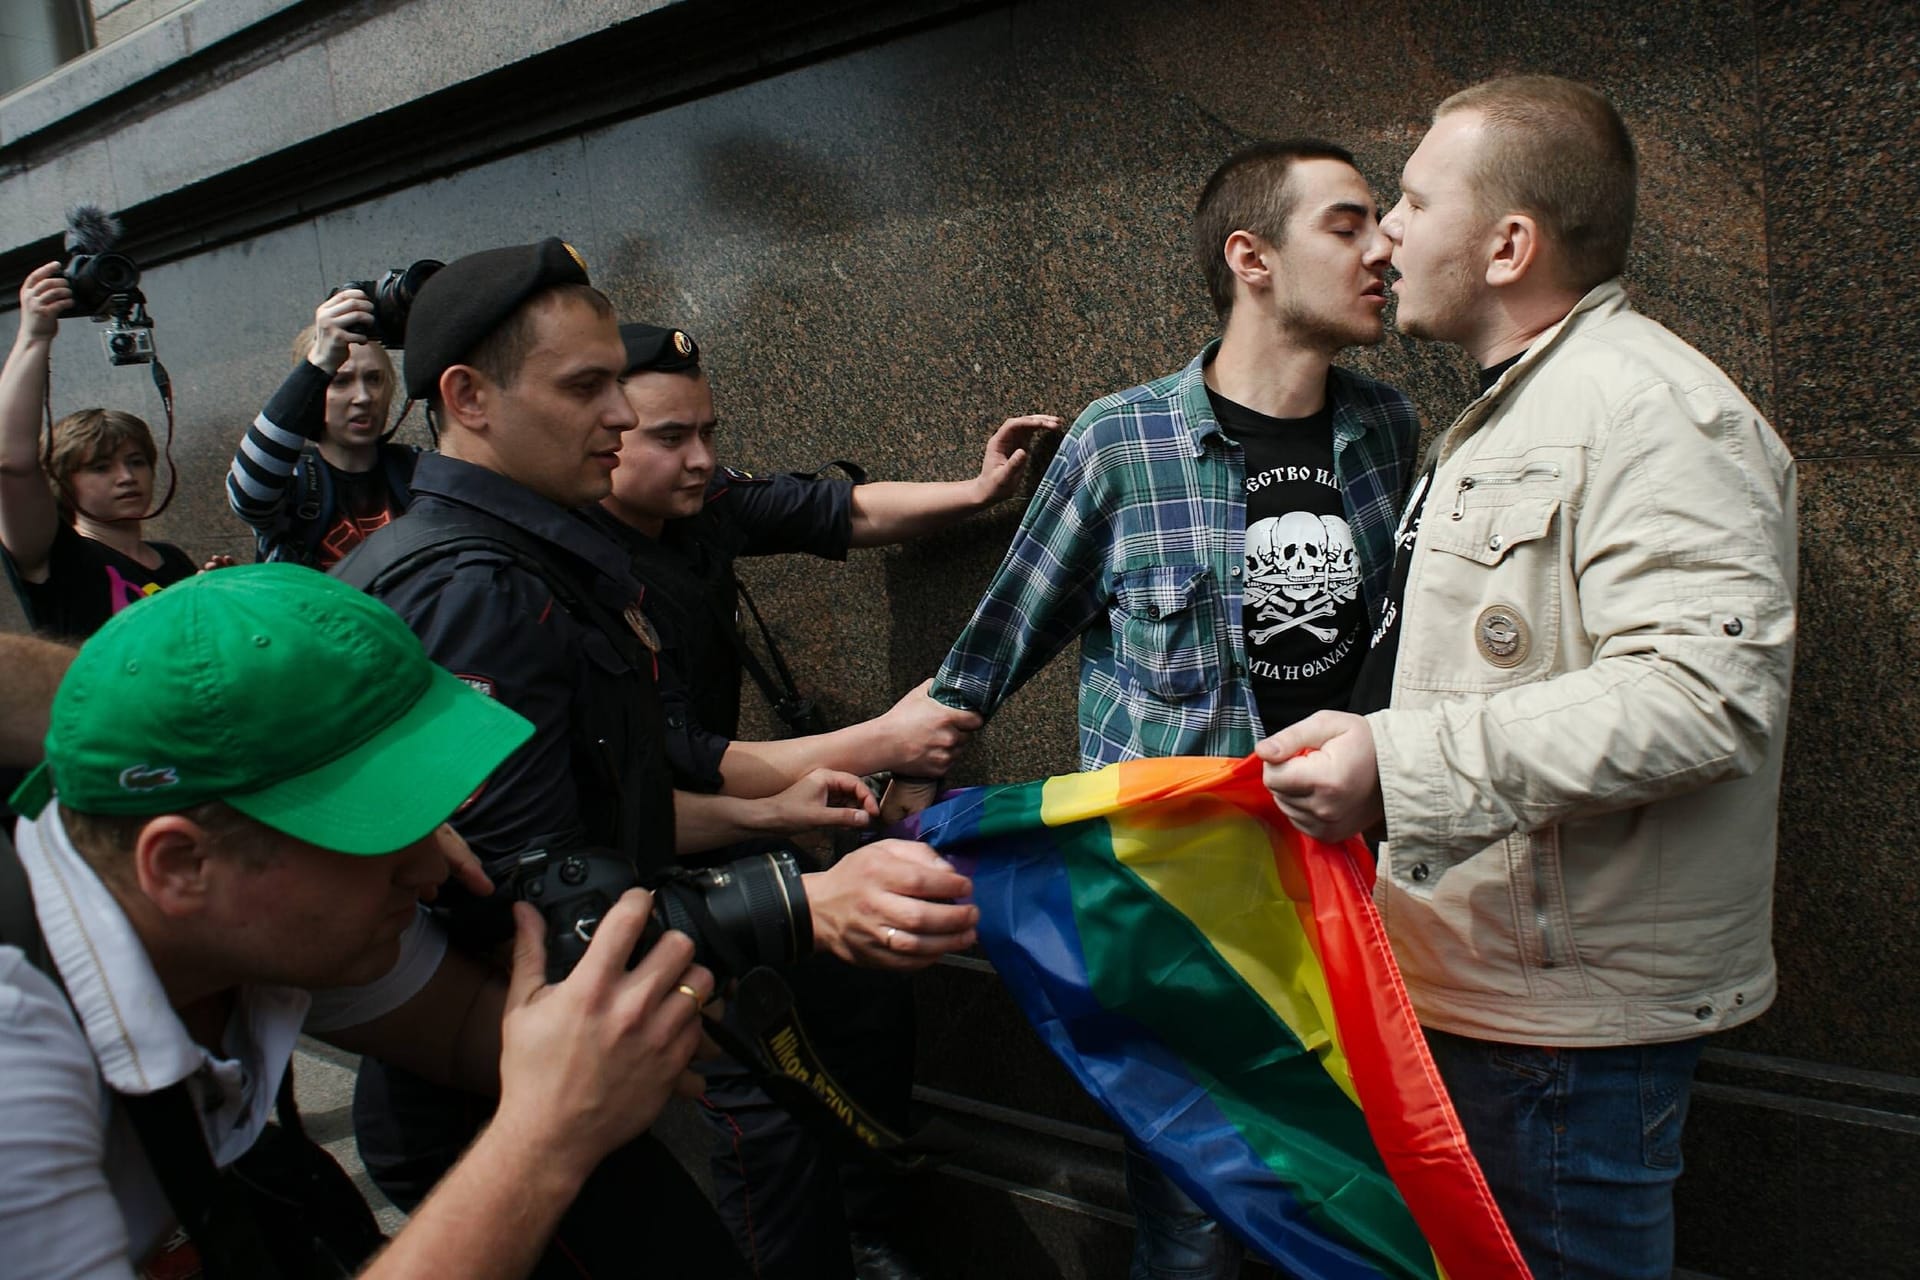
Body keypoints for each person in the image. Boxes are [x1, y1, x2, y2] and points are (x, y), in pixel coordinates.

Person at [334, 239, 982, 1270]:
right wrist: (803, 902)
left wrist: (776, 824)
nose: (623, 418)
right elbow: (537, 900)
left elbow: (611, 801)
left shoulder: (535, 556)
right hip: (488, 1094)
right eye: (586, 386)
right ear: (468, 397)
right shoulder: (472, 587)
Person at [1258, 76, 1796, 1280]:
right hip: (1492, 995)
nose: (1388, 228)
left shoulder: (1655, 413)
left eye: (1412, 197)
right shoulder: (1511, 413)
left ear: (1510, 244)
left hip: (1566, 1042)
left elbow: (1702, 697)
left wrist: (1393, 760)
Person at [932, 141, 1420, 1278]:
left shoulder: (1386, 430)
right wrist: (900, 819)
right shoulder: (1122, 443)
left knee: (1350, 1223)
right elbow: (988, 655)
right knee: (1196, 1240)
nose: (1382, 247)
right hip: (1184, 927)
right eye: (1347, 225)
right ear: (1250, 257)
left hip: (1351, 914)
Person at [0, 563, 718, 1280]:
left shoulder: (246, 912)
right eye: (371, 825)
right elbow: (536, 1091)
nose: (433, 868)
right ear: (183, 865)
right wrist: (545, 1138)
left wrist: (647, 1016)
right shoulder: (14, 1072)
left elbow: (470, 1021)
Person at [590, 322, 1057, 1279]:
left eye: (707, 431)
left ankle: (869, 1228)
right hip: (636, 858)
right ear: (600, 433)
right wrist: (884, 741)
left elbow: (837, 512)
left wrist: (974, 493)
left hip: (739, 833)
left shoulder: (699, 506)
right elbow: (682, 760)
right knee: (756, 1110)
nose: (703, 458)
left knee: (863, 998)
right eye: (670, 437)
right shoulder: (575, 572)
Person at [0, 262, 217, 639]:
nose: (126, 477)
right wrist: (34, 336)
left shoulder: (173, 559)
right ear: (64, 481)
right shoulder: (57, 556)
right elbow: (11, 461)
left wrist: (208, 595)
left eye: (136, 462)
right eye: (100, 467)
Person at [225, 287, 418, 568]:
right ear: (310, 391)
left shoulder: (417, 469)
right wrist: (322, 359)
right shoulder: (295, 482)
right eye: (341, 381)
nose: (363, 397)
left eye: (374, 379)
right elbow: (247, 494)